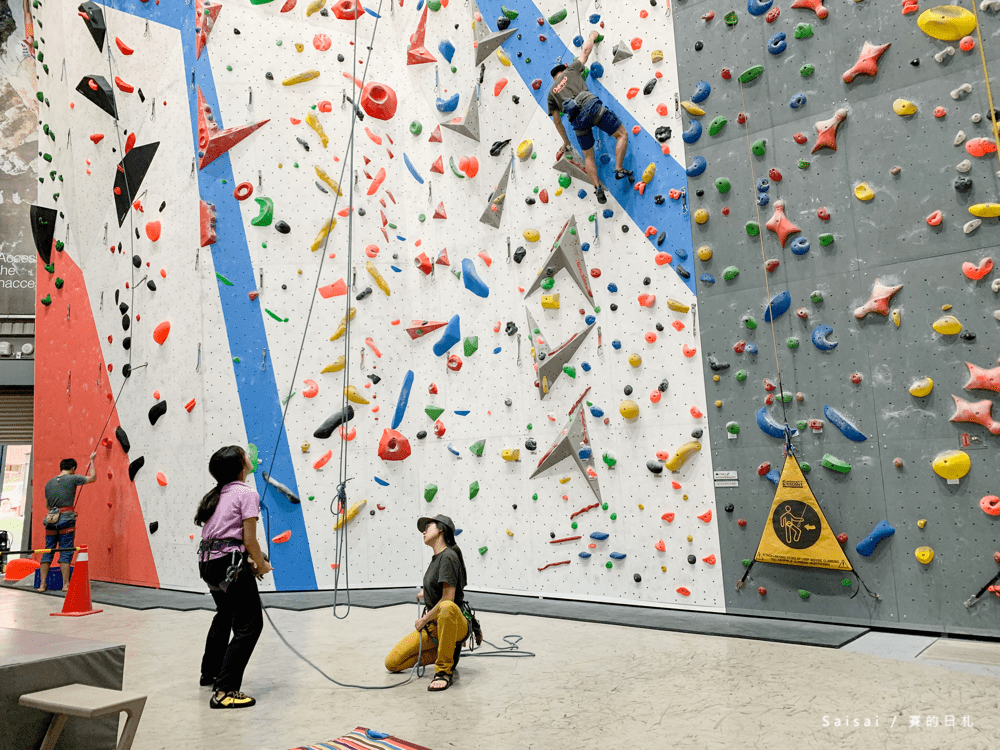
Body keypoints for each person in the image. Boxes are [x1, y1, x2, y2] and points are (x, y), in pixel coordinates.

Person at [194, 445, 273, 709]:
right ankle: (225, 690)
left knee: (225, 614)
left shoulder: (217, 494)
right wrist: (260, 564)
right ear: (240, 466)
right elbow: (248, 539)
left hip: (209, 564)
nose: (249, 458)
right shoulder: (246, 492)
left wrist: (253, 559)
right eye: (244, 456)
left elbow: (226, 536)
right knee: (250, 625)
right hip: (229, 563)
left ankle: (211, 672)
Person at [385, 514, 477, 692]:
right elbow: (440, 586)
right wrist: (426, 592)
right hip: (436, 626)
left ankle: (443, 671)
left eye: (429, 526)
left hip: (452, 621)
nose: (424, 531)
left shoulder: (448, 557)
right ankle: (447, 650)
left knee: (447, 607)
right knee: (392, 663)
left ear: (441, 529)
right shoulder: (437, 558)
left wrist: (424, 619)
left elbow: (448, 599)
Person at [547, 30, 631, 206]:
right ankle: (619, 169)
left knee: (589, 156)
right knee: (621, 134)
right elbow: (585, 52)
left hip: (577, 120)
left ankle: (597, 188)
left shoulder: (551, 94)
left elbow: (556, 120)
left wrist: (565, 141)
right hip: (590, 105)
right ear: (563, 70)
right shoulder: (571, 70)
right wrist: (592, 36)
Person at [39, 454, 96, 592]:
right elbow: (92, 478)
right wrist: (92, 461)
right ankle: (65, 585)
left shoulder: (49, 483)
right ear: (73, 468)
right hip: (66, 518)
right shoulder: (73, 478)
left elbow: (47, 505)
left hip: (50, 519)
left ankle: (42, 585)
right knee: (65, 551)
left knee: (48, 550)